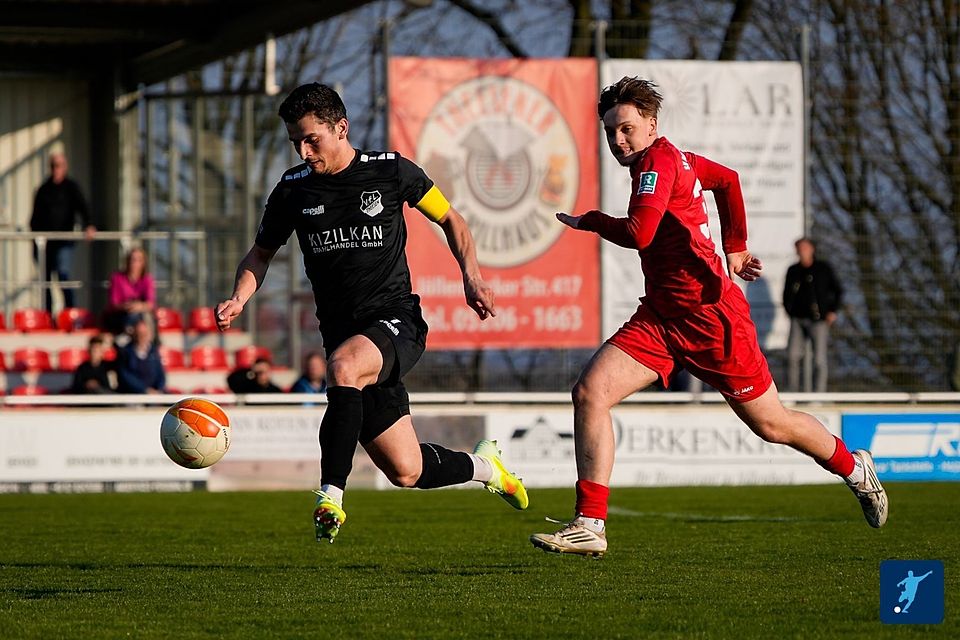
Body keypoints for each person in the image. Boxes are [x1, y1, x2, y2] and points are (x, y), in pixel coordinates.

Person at [530, 77, 887, 558]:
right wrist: (735, 244)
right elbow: (727, 180)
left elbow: (641, 232)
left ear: (652, 125)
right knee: (590, 393)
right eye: (611, 131)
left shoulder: (656, 162)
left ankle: (853, 468)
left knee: (773, 425)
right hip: (660, 317)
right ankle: (591, 524)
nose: (618, 140)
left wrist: (591, 220)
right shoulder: (678, 158)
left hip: (711, 319)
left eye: (627, 129)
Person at [215, 83, 528, 543]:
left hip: (396, 320)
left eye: (311, 140)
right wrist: (240, 297)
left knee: (342, 366)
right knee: (406, 470)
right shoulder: (292, 191)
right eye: (295, 143)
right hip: (345, 336)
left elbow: (451, 219)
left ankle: (330, 499)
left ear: (340, 128)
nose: (303, 151)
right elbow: (260, 255)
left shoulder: (392, 172)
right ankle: (486, 467)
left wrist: (472, 276)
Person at [29, 152, 96, 312]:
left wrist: (90, 224)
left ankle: (70, 312)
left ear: (65, 168)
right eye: (53, 166)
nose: (55, 169)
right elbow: (35, 217)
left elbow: (83, 207)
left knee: (63, 275)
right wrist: (35, 239)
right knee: (45, 281)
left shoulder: (71, 188)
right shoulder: (44, 190)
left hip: (63, 241)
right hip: (45, 243)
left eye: (58, 166)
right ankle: (47, 314)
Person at [783, 237, 843, 392]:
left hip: (819, 320)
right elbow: (786, 294)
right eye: (799, 248)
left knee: (819, 360)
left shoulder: (823, 269)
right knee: (792, 356)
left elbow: (837, 290)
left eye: (805, 248)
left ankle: (819, 395)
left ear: (812, 249)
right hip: (797, 319)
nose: (802, 251)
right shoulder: (793, 270)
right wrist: (790, 310)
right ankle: (793, 393)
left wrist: (832, 311)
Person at [104, 247, 156, 335]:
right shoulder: (117, 278)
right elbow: (113, 303)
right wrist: (129, 306)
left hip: (140, 315)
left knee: (143, 316)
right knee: (135, 316)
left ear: (143, 262)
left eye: (139, 260)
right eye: (132, 259)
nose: (135, 263)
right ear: (127, 261)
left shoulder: (147, 279)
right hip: (119, 315)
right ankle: (146, 344)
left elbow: (150, 303)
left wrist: (139, 306)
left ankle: (134, 341)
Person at [117, 318, 166, 394]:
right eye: (139, 334)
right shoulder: (126, 353)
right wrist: (144, 390)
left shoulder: (154, 352)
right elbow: (126, 376)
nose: (142, 337)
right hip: (133, 394)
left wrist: (158, 389)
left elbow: (160, 374)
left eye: (144, 334)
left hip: (154, 394)